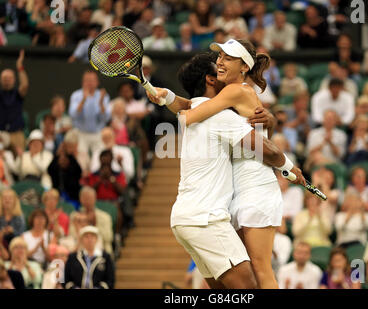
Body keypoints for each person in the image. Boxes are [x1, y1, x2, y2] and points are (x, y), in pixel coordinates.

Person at [150, 40, 305, 288]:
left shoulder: (230, 98)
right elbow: (195, 104)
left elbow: (191, 112)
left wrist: (288, 167)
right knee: (240, 280)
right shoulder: (226, 102)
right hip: (233, 195)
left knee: (259, 272)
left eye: (227, 58)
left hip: (255, 187)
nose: (221, 62)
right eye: (219, 57)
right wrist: (166, 96)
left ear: (244, 66)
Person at [0, 49, 28, 150]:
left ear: (14, 80)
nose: (7, 80)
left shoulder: (18, 94)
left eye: (9, 78)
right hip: (0, 134)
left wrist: (19, 65)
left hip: (16, 134)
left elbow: (25, 85)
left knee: (19, 160)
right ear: (0, 80)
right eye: (4, 78)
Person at [69, 70, 111, 156]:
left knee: (101, 157)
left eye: (92, 80)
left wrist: (101, 103)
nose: (89, 83)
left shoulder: (103, 96)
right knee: (81, 158)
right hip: (80, 133)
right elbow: (73, 115)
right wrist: (83, 100)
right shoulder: (76, 95)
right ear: (82, 82)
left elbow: (105, 118)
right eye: (87, 80)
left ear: (97, 82)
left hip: (98, 133)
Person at [69, 187, 113, 256]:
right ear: (80, 199)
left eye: (90, 198)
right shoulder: (74, 216)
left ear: (95, 198)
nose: (87, 201)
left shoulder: (105, 217)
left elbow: (108, 237)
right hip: (80, 250)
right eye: (85, 198)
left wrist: (94, 223)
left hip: (101, 252)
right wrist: (79, 227)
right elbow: (72, 235)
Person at [47, 142, 82, 206]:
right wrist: (57, 156)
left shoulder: (73, 165)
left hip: (73, 195)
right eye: (61, 159)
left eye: (65, 159)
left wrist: (70, 155)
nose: (63, 161)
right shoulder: (55, 167)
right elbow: (49, 170)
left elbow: (79, 172)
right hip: (58, 194)